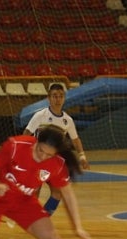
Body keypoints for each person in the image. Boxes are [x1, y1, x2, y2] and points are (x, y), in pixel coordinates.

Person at [23, 83, 89, 215]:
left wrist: (82, 156)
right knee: (35, 191)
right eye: (54, 96)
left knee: (57, 193)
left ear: (64, 98)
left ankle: (43, 217)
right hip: (38, 160)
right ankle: (31, 217)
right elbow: (25, 134)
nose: (57, 99)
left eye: (60, 96)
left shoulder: (67, 120)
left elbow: (75, 139)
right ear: (49, 98)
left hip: (54, 163)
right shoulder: (40, 116)